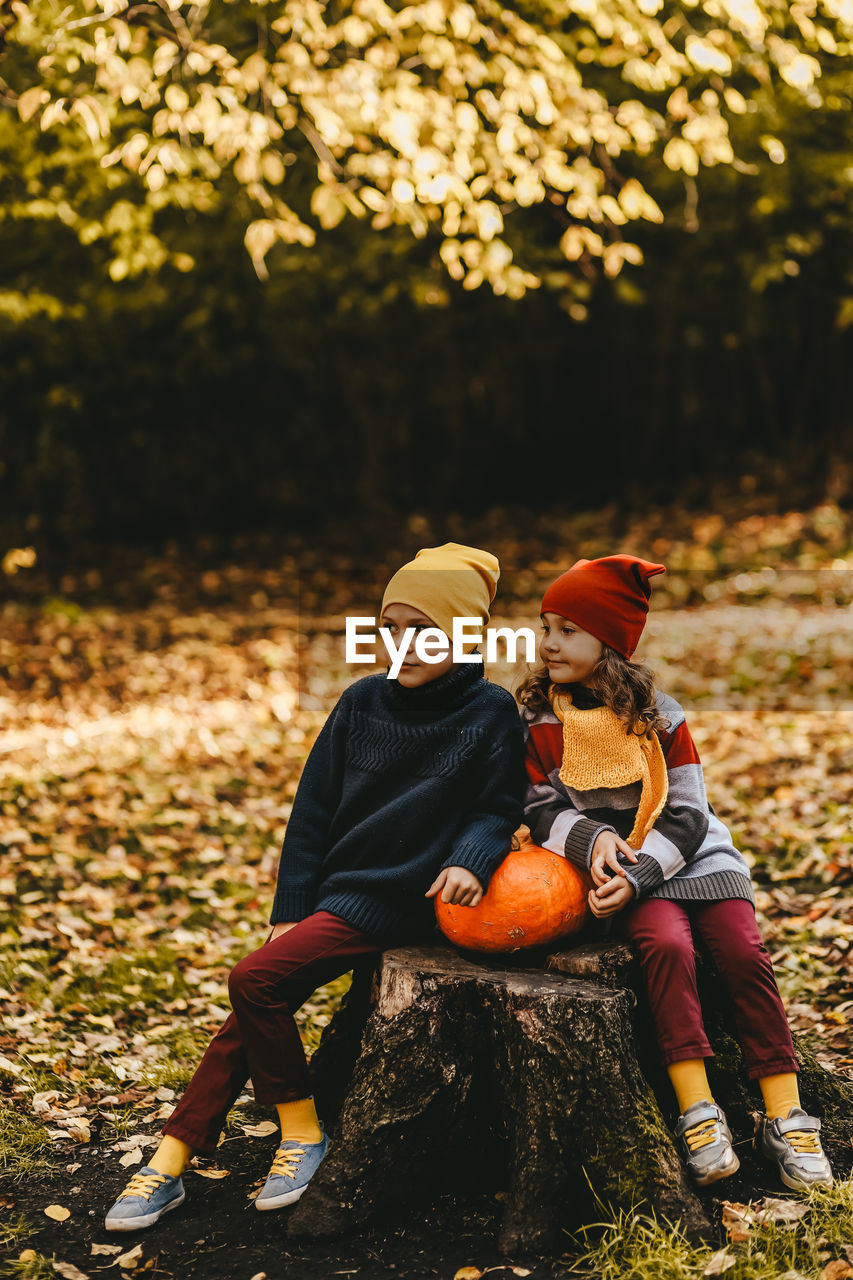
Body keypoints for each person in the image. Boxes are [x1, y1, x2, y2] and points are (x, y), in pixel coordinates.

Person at [104, 542, 525, 1231]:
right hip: (343, 899)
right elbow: (311, 814)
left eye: (423, 629)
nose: (403, 645)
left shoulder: (487, 711)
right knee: (246, 1014)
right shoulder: (360, 703)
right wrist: (291, 909)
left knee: (254, 983)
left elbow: (496, 805)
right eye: (391, 628)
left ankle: (299, 1133)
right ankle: (170, 1161)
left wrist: (471, 858)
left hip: (407, 905)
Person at [518, 554, 833, 1191]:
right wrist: (596, 837)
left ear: (611, 641)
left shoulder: (661, 716)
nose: (549, 641)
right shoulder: (540, 721)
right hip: (619, 863)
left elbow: (688, 814)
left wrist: (638, 874)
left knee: (743, 954)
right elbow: (538, 804)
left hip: (691, 858)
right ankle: (697, 1108)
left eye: (568, 629)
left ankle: (784, 1111)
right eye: (545, 625)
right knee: (665, 946)